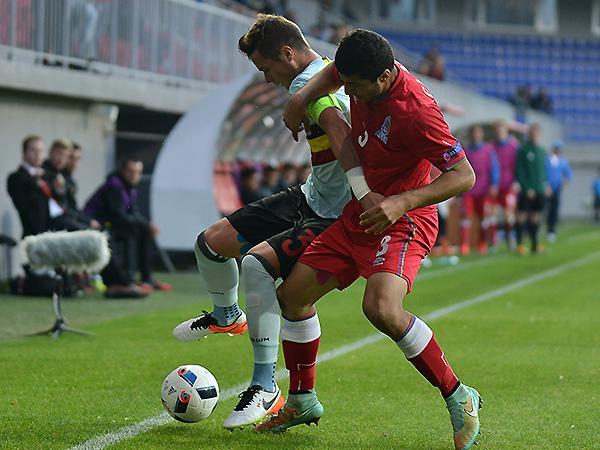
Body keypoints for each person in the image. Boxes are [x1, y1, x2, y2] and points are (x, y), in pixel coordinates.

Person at [259, 30, 482, 450]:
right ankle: (302, 401)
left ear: (383, 77)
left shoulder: (417, 113)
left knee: (380, 309)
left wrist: (402, 202)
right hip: (361, 213)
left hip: (404, 218)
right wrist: (299, 98)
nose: (349, 92)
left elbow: (464, 175)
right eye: (345, 82)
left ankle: (459, 395)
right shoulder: (359, 70)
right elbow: (332, 76)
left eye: (355, 86)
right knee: (292, 295)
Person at [171, 14, 379, 430]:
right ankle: (227, 315)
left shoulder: (309, 85)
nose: (267, 79)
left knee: (259, 269)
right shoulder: (325, 75)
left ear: (287, 54)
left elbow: (340, 133)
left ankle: (265, 386)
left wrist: (364, 194)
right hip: (310, 196)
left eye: (266, 68)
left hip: (336, 215)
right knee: (211, 243)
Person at [84, 156, 169, 298]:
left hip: (112, 224)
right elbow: (117, 215)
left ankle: (145, 279)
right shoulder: (114, 185)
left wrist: (147, 225)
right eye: (131, 171)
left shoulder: (130, 187)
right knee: (130, 232)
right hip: (96, 225)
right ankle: (122, 283)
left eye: (138, 172)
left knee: (142, 230)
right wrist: (145, 224)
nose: (134, 175)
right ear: (122, 171)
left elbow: (133, 212)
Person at [460, 125, 499, 255]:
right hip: (469, 189)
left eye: (478, 133)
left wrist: (494, 183)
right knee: (465, 216)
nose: (476, 135)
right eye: (474, 133)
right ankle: (464, 244)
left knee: (483, 217)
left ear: (481, 135)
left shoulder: (488, 150)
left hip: (484, 189)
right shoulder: (466, 151)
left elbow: (494, 168)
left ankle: (482, 243)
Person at [7, 135, 51, 238]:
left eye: (41, 151)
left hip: (51, 233)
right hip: (33, 236)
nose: (38, 154)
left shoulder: (47, 175)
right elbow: (26, 208)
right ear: (24, 153)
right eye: (33, 150)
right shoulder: (16, 177)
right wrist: (35, 183)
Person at [515, 124, 548, 255]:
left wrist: (545, 184)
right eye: (532, 133)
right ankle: (520, 244)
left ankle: (535, 245)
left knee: (536, 216)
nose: (534, 136)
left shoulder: (542, 150)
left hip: (539, 189)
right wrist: (527, 187)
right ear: (529, 135)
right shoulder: (523, 150)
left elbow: (544, 170)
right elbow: (520, 170)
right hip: (526, 190)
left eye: (536, 133)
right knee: (521, 216)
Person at [491, 120, 519, 249]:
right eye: (497, 131)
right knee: (493, 213)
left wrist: (516, 181)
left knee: (509, 214)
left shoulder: (514, 146)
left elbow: (518, 165)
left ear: (506, 131)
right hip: (495, 186)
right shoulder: (491, 147)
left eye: (501, 130)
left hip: (509, 185)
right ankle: (494, 240)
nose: (499, 133)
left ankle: (511, 238)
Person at [544, 142, 572, 242]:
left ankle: (551, 231)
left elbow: (568, 175)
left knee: (554, 211)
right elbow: (542, 173)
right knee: (543, 209)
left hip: (557, 189)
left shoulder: (563, 161)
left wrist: (563, 183)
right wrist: (546, 185)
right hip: (546, 189)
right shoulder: (547, 160)